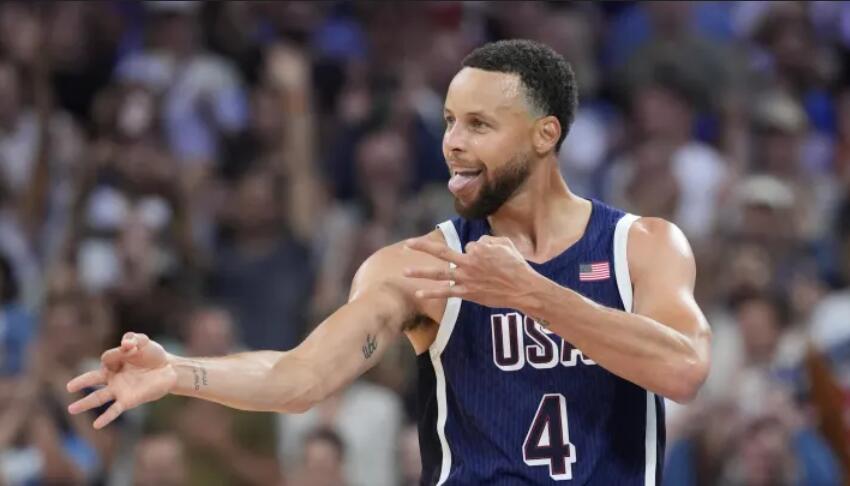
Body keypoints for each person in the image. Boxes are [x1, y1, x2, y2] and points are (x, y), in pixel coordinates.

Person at [66, 39, 711, 484]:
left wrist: (532, 293)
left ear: (546, 135)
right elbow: (300, 377)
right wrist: (180, 372)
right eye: (449, 122)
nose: (453, 143)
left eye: (479, 125)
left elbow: (683, 370)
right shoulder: (420, 266)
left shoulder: (641, 246)